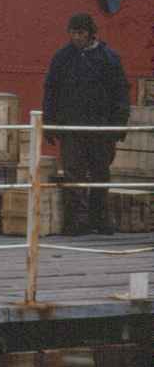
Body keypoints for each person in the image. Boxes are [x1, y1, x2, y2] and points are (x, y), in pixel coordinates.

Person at [42, 12, 130, 235]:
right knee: (74, 174)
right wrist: (49, 123)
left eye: (80, 33)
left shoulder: (109, 58)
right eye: (72, 33)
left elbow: (120, 92)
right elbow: (51, 91)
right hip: (72, 127)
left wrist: (120, 124)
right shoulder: (62, 58)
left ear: (91, 33)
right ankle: (77, 222)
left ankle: (99, 219)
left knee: (100, 172)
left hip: (101, 128)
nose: (76, 37)